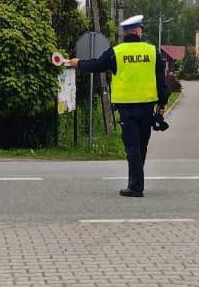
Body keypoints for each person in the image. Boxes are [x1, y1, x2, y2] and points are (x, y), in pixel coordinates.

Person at [69, 15, 169, 197]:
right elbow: (161, 82)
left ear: (125, 33)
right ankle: (134, 181)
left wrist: (78, 64)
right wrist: (161, 105)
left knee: (132, 146)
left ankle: (136, 186)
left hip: (127, 108)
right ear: (139, 32)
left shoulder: (117, 52)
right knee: (141, 146)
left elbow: (97, 65)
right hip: (147, 106)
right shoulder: (152, 51)